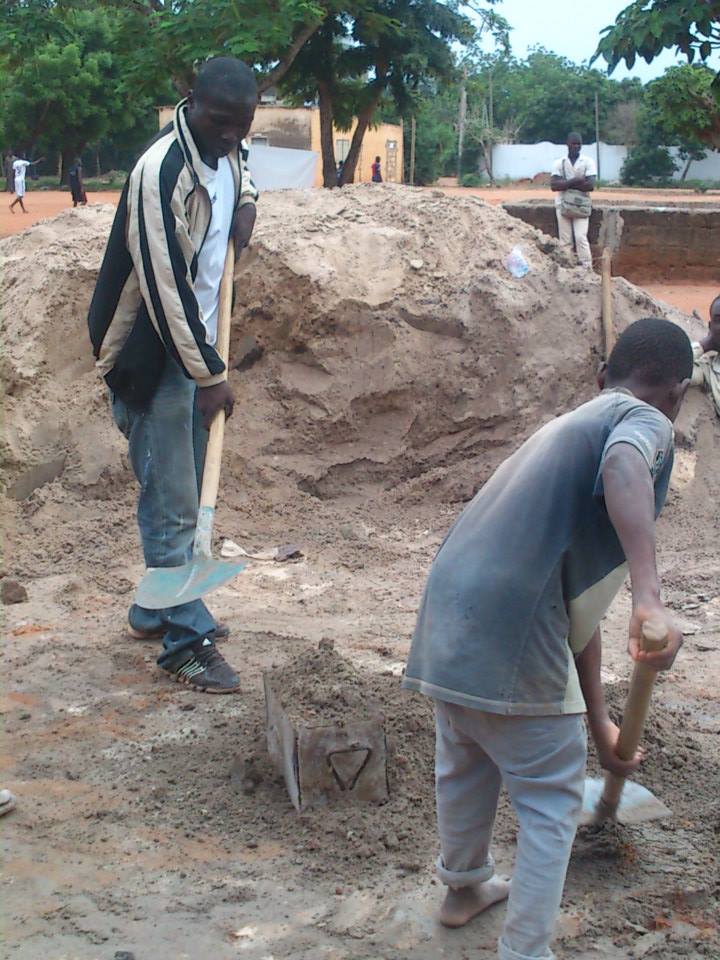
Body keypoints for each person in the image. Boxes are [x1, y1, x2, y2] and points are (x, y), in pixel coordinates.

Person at [403, 317, 692, 960]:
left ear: (601, 376)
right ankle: (526, 950)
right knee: (552, 797)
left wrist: (601, 724)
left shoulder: (561, 433)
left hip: (450, 620)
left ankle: (463, 889)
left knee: (466, 760)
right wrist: (650, 596)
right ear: (678, 393)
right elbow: (625, 464)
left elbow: (576, 618)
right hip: (515, 624)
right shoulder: (642, 420)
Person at [88, 57, 259, 694]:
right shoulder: (159, 171)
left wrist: (247, 205)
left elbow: (243, 172)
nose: (230, 135)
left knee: (175, 492)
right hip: (149, 354)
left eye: (241, 124)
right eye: (219, 122)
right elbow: (164, 291)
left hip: (193, 348)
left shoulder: (229, 150)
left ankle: (155, 607)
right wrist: (209, 375)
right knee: (173, 502)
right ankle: (185, 644)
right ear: (191, 101)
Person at [550, 133, 596, 267]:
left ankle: (586, 267)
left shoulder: (587, 161)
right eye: (573, 144)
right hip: (562, 205)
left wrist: (565, 183)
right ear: (567, 144)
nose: (576, 146)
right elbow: (554, 186)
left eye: (579, 144)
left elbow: (590, 185)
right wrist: (577, 180)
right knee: (565, 240)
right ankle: (567, 267)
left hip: (581, 206)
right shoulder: (559, 163)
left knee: (581, 237)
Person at [691, 294, 720, 417]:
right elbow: (666, 370)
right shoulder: (708, 370)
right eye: (719, 320)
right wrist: (704, 345)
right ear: (710, 327)